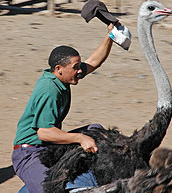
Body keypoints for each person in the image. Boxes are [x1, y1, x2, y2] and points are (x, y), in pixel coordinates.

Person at [12, 23, 114, 193]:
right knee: (51, 190)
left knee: (96, 130)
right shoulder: (49, 89)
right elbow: (43, 132)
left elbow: (94, 62)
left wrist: (110, 36)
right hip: (30, 152)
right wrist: (80, 138)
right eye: (75, 67)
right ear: (59, 69)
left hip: (47, 147)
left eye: (79, 66)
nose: (79, 71)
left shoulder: (62, 78)